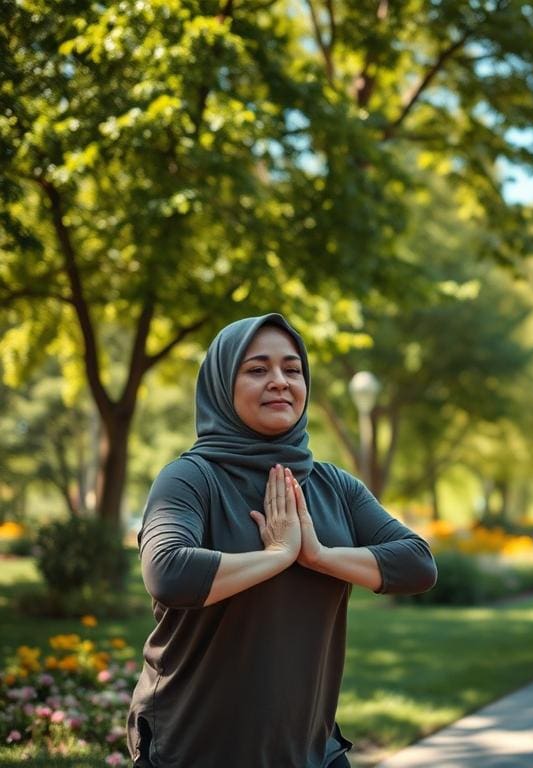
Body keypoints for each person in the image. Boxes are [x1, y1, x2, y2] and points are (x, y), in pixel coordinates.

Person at [126, 314, 437, 767]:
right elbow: (168, 573)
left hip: (311, 748)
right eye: (257, 370)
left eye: (292, 370)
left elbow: (418, 564)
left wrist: (319, 556)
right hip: (197, 747)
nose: (279, 381)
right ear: (221, 386)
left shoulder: (334, 485)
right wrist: (277, 556)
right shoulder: (190, 478)